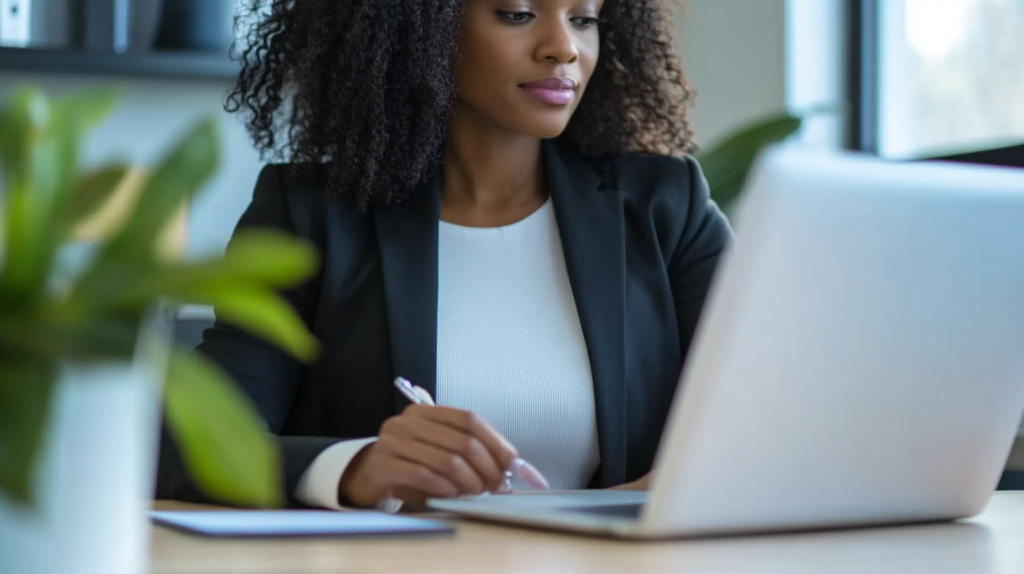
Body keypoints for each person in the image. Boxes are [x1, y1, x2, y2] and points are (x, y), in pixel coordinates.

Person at [157, 0, 732, 510]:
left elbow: (778, 408)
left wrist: (675, 489)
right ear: (422, 25)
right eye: (517, 14)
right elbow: (192, 445)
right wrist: (355, 469)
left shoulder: (665, 206)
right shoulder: (310, 215)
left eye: (584, 20)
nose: (563, 48)